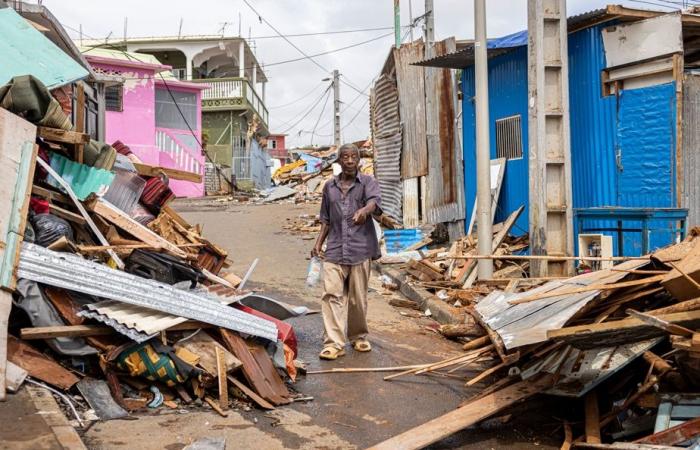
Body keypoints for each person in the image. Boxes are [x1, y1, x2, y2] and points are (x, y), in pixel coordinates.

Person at [312, 143, 382, 360]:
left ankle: (358, 336)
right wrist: (318, 243)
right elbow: (325, 219)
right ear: (339, 161)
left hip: (360, 249)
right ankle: (334, 343)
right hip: (334, 249)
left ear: (359, 160)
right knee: (331, 295)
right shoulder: (329, 187)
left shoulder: (368, 182)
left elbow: (375, 203)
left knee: (357, 299)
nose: (350, 160)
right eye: (345, 157)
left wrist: (364, 210)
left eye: (354, 157)